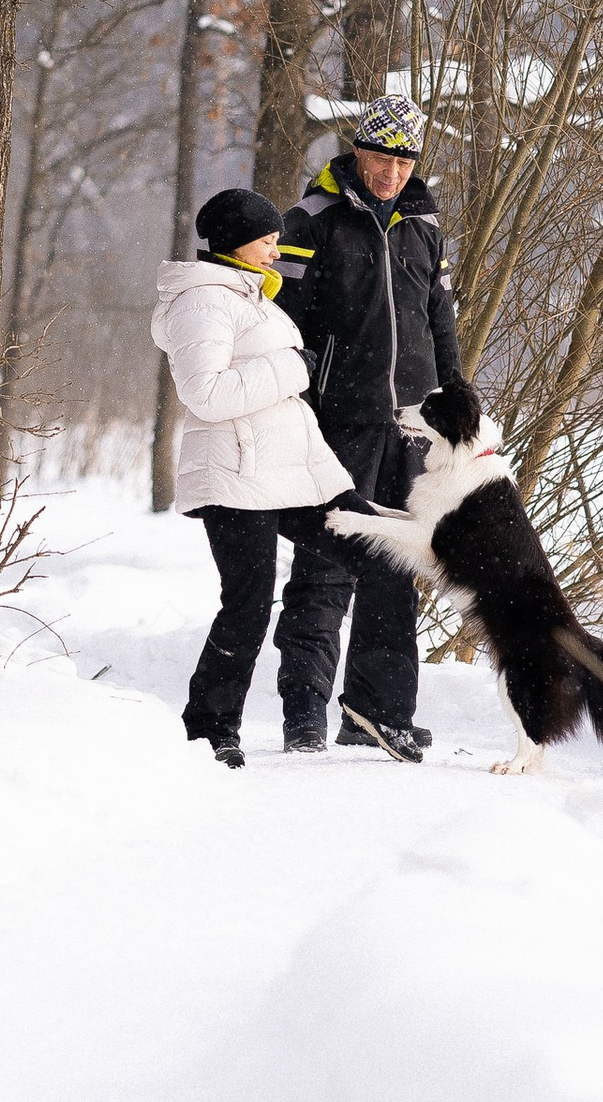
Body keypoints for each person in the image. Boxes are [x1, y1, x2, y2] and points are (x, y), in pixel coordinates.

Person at [273, 94, 465, 762]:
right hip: (337, 424)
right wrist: (295, 412)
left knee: (395, 563)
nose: (392, 172)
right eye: (382, 156)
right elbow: (285, 328)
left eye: (405, 160)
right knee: (326, 562)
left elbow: (440, 321)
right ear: (358, 150)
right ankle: (304, 710)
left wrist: (453, 404)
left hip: (410, 427)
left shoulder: (424, 226)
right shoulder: (313, 220)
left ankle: (377, 714)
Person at [153, 184, 352, 765]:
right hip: (234, 472)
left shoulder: (248, 297)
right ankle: (211, 728)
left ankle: (374, 705)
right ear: (237, 244)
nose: (276, 249)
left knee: (365, 547)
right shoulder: (204, 303)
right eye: (267, 240)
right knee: (247, 601)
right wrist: (290, 369)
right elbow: (205, 394)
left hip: (283, 471)